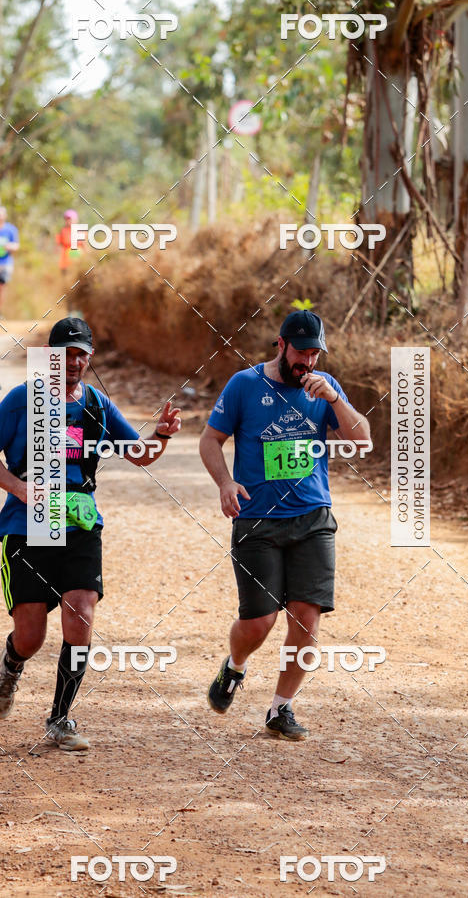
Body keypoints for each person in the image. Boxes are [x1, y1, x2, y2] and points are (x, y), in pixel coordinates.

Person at [0, 317, 181, 751]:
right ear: (51, 357)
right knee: (31, 636)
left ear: (89, 358)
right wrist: (18, 488)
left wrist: (160, 434)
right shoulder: (21, 400)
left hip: (81, 520)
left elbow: (138, 454)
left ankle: (60, 718)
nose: (74, 360)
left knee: (81, 612)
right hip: (30, 524)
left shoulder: (97, 405)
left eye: (81, 353)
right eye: (65, 353)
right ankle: (11, 665)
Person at [200, 310, 371, 741]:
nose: (308, 363)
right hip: (257, 520)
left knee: (307, 621)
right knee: (260, 622)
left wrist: (334, 399)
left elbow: (362, 439)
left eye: (315, 354)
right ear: (281, 345)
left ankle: (281, 707)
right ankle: (234, 667)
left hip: (313, 518)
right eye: (301, 353)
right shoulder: (244, 385)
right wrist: (225, 482)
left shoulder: (325, 389)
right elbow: (210, 440)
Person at [56, 209, 84, 279]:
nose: (68, 221)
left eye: (70, 219)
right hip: (66, 262)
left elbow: (85, 246)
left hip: (79, 261)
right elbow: (59, 246)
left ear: (76, 220)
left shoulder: (81, 231)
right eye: (67, 219)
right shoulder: (63, 231)